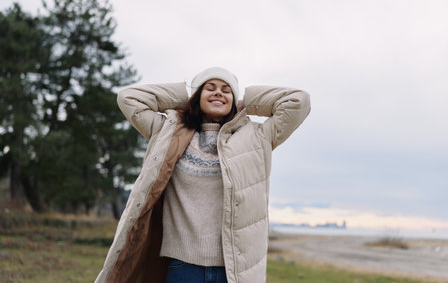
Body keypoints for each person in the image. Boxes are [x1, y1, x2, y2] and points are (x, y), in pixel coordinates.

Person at [95, 67, 311, 283]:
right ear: (197, 96)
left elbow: (298, 101)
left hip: (234, 272)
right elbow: (128, 98)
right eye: (210, 88)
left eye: (226, 90)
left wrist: (248, 102)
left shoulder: (256, 137)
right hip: (183, 269)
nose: (219, 93)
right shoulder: (167, 132)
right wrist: (185, 98)